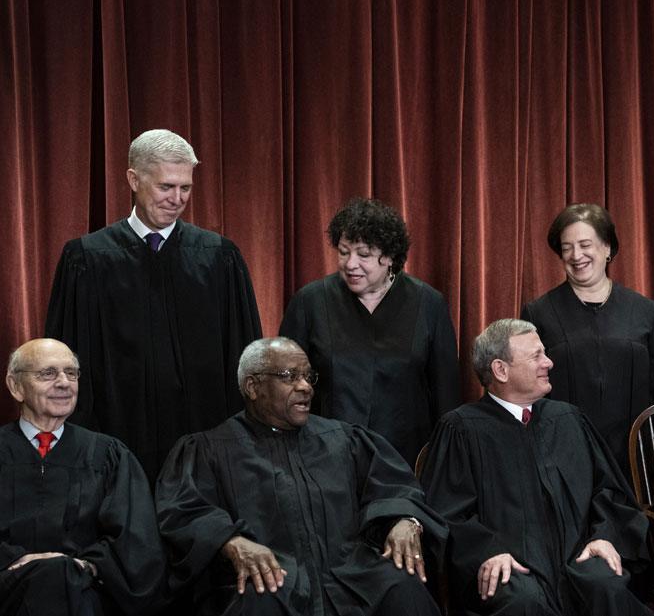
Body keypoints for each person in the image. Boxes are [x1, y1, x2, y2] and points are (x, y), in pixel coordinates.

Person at [155, 336, 447, 616]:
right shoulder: (210, 450)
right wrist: (231, 542)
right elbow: (184, 511)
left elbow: (394, 487)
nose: (306, 386)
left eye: (308, 376)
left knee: (402, 587)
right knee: (260, 598)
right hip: (273, 578)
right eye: (289, 376)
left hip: (351, 577)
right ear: (253, 386)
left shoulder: (343, 440)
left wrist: (404, 521)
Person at [45, 129, 262, 480]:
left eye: (186, 188)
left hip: (203, 442)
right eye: (166, 186)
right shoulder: (87, 259)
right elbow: (65, 361)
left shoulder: (219, 257)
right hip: (114, 439)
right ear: (133, 178)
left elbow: (244, 356)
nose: (177, 198)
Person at [420, 318, 652, 616]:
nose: (549, 363)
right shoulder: (462, 429)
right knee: (523, 602)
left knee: (606, 585)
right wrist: (486, 553)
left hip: (578, 558)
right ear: (501, 370)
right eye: (536, 356)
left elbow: (610, 491)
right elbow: (446, 512)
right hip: (509, 567)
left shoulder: (569, 419)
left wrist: (605, 536)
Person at [279, 197, 460, 467]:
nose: (351, 264)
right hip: (324, 458)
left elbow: (446, 393)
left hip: (405, 461)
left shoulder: (428, 304)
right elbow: (285, 385)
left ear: (389, 257)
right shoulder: (310, 302)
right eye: (343, 252)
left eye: (363, 254)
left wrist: (442, 462)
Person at [0, 338, 164, 615]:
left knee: (61, 578)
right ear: (16, 387)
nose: (64, 382)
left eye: (71, 373)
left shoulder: (108, 454)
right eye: (48, 373)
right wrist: (19, 560)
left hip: (84, 587)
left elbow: (136, 539)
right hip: (6, 586)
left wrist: (85, 565)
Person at [520, 203, 654, 470]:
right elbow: (527, 391)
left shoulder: (644, 311)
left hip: (634, 461)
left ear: (607, 248)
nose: (576, 255)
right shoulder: (538, 313)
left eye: (585, 244)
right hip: (562, 459)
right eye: (567, 248)